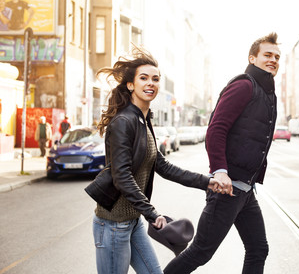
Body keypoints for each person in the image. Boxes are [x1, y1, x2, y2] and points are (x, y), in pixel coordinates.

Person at [84, 47, 224, 274]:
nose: (151, 83)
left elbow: (162, 165)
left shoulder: (143, 119)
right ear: (131, 85)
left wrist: (206, 181)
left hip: (133, 221)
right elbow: (122, 176)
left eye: (155, 79)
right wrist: (153, 213)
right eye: (144, 78)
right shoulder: (123, 122)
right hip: (113, 224)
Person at [164, 33, 281, 274]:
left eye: (277, 57)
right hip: (227, 188)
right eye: (267, 55)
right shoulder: (244, 85)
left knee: (259, 248)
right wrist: (220, 170)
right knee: (201, 251)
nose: (273, 60)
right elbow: (216, 129)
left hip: (245, 190)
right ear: (253, 57)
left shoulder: (267, 93)